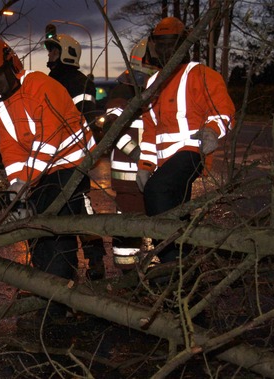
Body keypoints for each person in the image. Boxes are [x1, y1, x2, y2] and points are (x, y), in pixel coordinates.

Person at [0, 37, 96, 322]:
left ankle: (57, 302)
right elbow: (10, 146)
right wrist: (17, 185)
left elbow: (49, 139)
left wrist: (24, 183)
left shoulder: (41, 86)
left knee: (54, 227)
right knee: (36, 227)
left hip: (71, 162)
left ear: (11, 67)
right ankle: (47, 290)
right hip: (41, 168)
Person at [136, 17, 235, 264]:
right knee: (173, 212)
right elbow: (150, 132)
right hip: (166, 162)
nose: (167, 50)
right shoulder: (152, 83)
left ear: (185, 45)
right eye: (162, 44)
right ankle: (183, 270)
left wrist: (212, 131)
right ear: (154, 47)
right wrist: (145, 166)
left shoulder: (201, 75)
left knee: (156, 192)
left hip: (192, 153)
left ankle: (172, 263)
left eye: (172, 44)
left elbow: (223, 111)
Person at [44, 32, 106, 280]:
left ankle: (92, 259)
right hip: (56, 157)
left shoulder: (75, 82)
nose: (49, 55)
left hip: (70, 157)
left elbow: (85, 117)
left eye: (53, 50)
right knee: (77, 208)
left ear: (65, 53)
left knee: (79, 206)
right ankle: (85, 260)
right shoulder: (54, 80)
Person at [102, 37, 158, 270]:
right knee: (128, 230)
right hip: (130, 178)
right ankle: (128, 278)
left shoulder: (150, 91)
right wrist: (138, 155)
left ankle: (158, 276)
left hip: (151, 175)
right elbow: (113, 129)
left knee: (156, 225)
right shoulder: (123, 93)